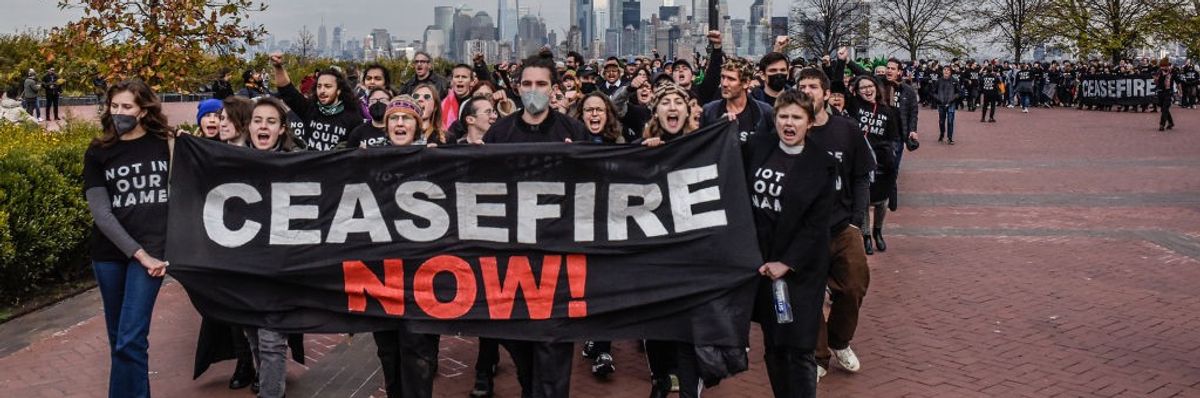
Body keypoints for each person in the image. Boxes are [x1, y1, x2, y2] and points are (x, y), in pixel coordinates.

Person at [479, 49, 590, 398]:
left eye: (541, 84)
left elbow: (599, 185)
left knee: (555, 352)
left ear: (553, 88)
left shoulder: (572, 130)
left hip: (559, 261)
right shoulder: (500, 133)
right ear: (517, 87)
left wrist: (579, 161)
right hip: (513, 261)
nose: (533, 89)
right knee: (521, 350)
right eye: (527, 83)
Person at [82, 79, 173, 398]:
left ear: (144, 109)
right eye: (114, 106)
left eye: (127, 107)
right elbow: (101, 214)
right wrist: (138, 253)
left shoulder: (164, 143)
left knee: (130, 339)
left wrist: (151, 254)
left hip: (152, 254)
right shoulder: (98, 150)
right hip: (110, 256)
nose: (119, 112)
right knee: (120, 342)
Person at [744, 89, 836, 398]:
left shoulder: (821, 163)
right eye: (783, 116)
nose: (789, 123)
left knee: (798, 347)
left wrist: (787, 263)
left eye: (797, 117)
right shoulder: (759, 146)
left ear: (810, 122)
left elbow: (817, 225)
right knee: (774, 344)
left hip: (799, 271)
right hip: (762, 265)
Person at [793, 68, 874, 380]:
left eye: (814, 86)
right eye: (802, 86)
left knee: (854, 285)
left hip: (841, 226)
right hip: (802, 232)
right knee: (808, 295)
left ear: (826, 94)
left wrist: (857, 222)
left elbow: (861, 175)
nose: (808, 91)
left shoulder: (847, 129)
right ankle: (817, 355)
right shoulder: (788, 129)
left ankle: (840, 340)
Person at [638, 83, 704, 398]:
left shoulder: (705, 145)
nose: (673, 107)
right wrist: (641, 154)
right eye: (666, 102)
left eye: (679, 101)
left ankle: (690, 388)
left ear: (688, 110)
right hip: (656, 254)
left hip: (692, 254)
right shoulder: (644, 147)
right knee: (656, 326)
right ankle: (660, 381)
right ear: (657, 112)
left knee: (687, 330)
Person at [269, 51, 363, 150]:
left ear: (338, 90)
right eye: (319, 86)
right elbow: (287, 91)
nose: (322, 91)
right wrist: (278, 67)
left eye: (328, 86)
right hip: (310, 164)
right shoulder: (310, 108)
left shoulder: (353, 117)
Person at [700, 55, 775, 144]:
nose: (724, 84)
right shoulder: (709, 111)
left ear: (746, 83)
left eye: (731, 79)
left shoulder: (765, 112)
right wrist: (718, 127)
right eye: (723, 77)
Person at [931, 66, 961, 144]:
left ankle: (950, 138)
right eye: (944, 70)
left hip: (951, 103)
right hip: (941, 104)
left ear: (950, 72)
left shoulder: (954, 81)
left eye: (948, 70)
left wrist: (953, 99)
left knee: (950, 121)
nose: (946, 71)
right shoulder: (938, 81)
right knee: (941, 121)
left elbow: (958, 92)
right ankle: (942, 134)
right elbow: (933, 92)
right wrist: (938, 99)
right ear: (942, 71)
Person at [442, 63, 476, 128]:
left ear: (472, 82)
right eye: (457, 77)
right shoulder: (442, 103)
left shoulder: (475, 103)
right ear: (451, 81)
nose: (460, 80)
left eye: (464, 77)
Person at [1156, 59, 1176, 131]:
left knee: (1165, 108)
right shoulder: (1159, 72)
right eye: (1161, 66)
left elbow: (1178, 81)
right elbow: (1156, 81)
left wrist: (1180, 90)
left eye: (1164, 66)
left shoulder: (1172, 72)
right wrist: (1158, 77)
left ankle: (1162, 124)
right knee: (1163, 109)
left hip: (1168, 92)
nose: (1163, 68)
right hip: (1160, 92)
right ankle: (1171, 122)